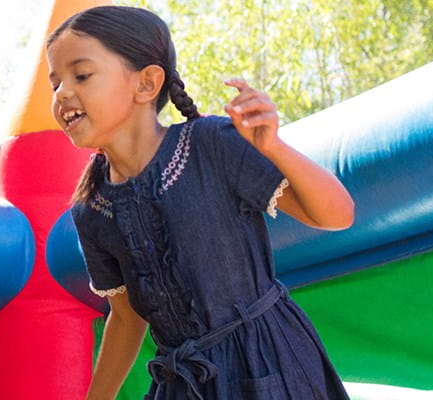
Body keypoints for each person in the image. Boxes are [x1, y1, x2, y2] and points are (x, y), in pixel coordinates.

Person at [45, 6, 357, 399]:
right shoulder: (92, 209)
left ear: (146, 84)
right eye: (54, 84)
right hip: (184, 385)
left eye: (82, 75)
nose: (62, 94)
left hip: (268, 365)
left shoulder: (210, 144)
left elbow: (338, 215)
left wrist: (274, 147)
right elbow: (125, 318)